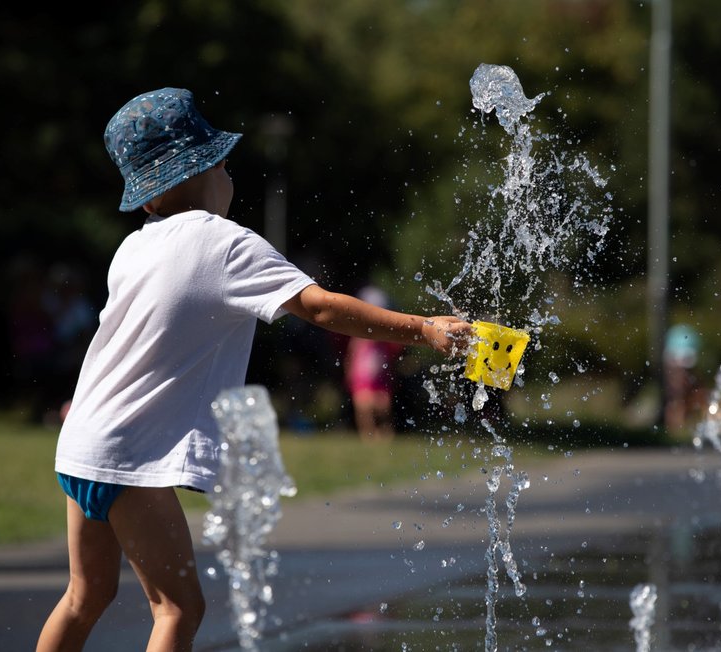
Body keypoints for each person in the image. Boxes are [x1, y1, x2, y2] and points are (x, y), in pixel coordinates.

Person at [36, 87, 471, 652]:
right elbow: (320, 307)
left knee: (84, 597)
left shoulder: (133, 248)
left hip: (82, 442)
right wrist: (424, 328)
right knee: (177, 609)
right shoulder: (226, 244)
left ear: (147, 200)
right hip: (128, 454)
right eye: (223, 163)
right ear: (207, 170)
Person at [344, 285, 404, 440]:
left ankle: (384, 432)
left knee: (383, 404)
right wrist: (350, 373)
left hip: (379, 377)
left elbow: (393, 354)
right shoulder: (359, 336)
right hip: (362, 376)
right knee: (364, 406)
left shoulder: (384, 337)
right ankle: (368, 435)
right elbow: (353, 354)